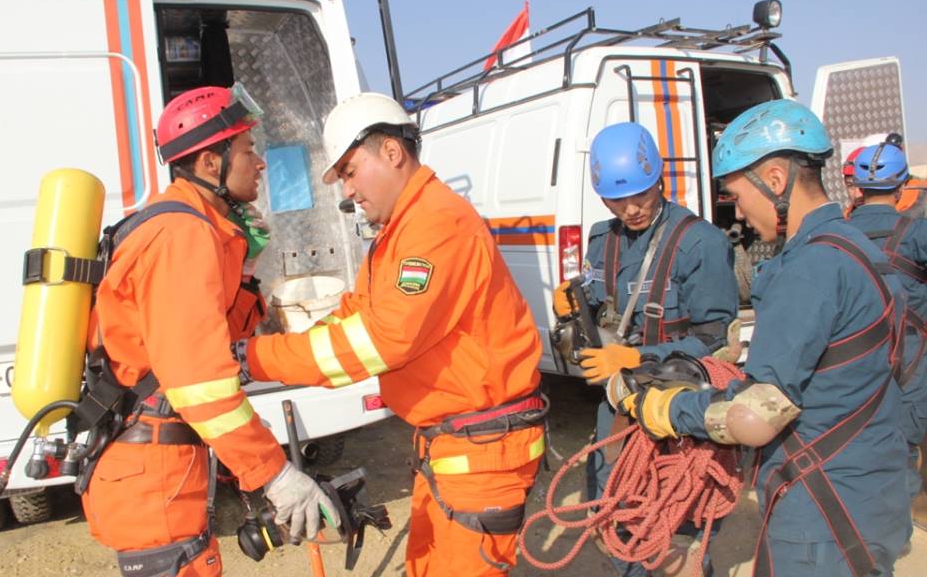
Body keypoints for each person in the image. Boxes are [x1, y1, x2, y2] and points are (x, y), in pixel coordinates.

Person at [233, 92, 547, 576]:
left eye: (350, 172)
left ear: (392, 152)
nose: (348, 191)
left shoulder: (437, 223)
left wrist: (255, 359)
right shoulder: (402, 231)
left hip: (482, 452)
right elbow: (355, 316)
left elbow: (380, 340)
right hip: (454, 446)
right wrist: (278, 351)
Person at [613, 99, 911, 576]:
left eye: (736, 195)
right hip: (874, 494)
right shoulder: (856, 249)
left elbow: (753, 417)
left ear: (774, 180)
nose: (738, 212)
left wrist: (667, 409)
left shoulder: (809, 268)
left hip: (821, 511)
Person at [82, 85, 338, 576]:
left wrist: (245, 268)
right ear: (209, 162)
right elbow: (200, 380)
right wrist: (274, 474)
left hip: (159, 464)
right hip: (153, 475)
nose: (260, 164)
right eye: (247, 150)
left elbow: (218, 338)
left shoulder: (192, 226)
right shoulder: (181, 235)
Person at [552, 121, 738, 575]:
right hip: (619, 408)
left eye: (641, 195)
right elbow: (600, 300)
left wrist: (639, 358)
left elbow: (716, 342)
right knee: (616, 514)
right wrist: (574, 303)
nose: (631, 209)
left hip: (679, 411)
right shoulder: (603, 239)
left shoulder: (700, 244)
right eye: (617, 201)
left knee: (675, 529)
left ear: (660, 180)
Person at [845, 136, 927, 531]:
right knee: (902, 443)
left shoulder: (836, 233)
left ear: (858, 187)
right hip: (910, 359)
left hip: (852, 358)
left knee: (856, 440)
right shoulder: (918, 233)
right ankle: (895, 530)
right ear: (902, 185)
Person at [841, 145, 864, 215]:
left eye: (863, 184)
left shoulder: (892, 217)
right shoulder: (845, 218)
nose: (857, 195)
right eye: (850, 185)